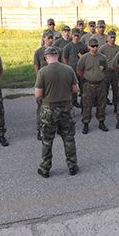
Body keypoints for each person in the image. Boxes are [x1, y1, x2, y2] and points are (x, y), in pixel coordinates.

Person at [34, 46, 79, 178]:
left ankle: (45, 168)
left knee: (47, 140)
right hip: (66, 108)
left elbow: (38, 94)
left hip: (49, 109)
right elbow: (75, 89)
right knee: (68, 138)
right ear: (58, 56)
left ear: (46, 57)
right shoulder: (68, 69)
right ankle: (72, 166)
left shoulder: (42, 72)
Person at [76, 37, 108, 134]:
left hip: (100, 84)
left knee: (101, 104)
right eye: (92, 46)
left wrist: (100, 76)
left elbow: (105, 69)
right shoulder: (84, 58)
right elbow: (79, 70)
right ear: (89, 47)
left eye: (96, 46)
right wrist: (86, 78)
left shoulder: (102, 57)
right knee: (87, 105)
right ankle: (86, 123)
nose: (95, 48)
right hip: (88, 85)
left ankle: (101, 121)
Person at [33, 31, 56, 139]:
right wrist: (39, 82)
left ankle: (53, 127)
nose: (50, 40)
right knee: (41, 107)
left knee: (55, 106)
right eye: (48, 38)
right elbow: (36, 67)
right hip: (43, 83)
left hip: (54, 83)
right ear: (44, 38)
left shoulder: (57, 51)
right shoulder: (39, 52)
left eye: (52, 38)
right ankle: (40, 129)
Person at [61, 29, 87, 107]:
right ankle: (74, 101)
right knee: (73, 87)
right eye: (75, 35)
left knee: (83, 86)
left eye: (77, 36)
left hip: (82, 70)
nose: (76, 37)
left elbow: (86, 57)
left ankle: (83, 101)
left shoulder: (83, 46)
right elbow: (65, 59)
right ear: (72, 35)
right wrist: (67, 69)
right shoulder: (67, 47)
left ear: (80, 36)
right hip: (72, 70)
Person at [99, 30, 119, 109]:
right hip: (106, 72)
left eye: (114, 37)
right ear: (107, 37)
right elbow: (99, 59)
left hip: (115, 72)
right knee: (104, 91)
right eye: (111, 37)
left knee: (116, 90)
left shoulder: (118, 48)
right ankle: (102, 108)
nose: (112, 39)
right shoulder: (103, 48)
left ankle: (116, 106)